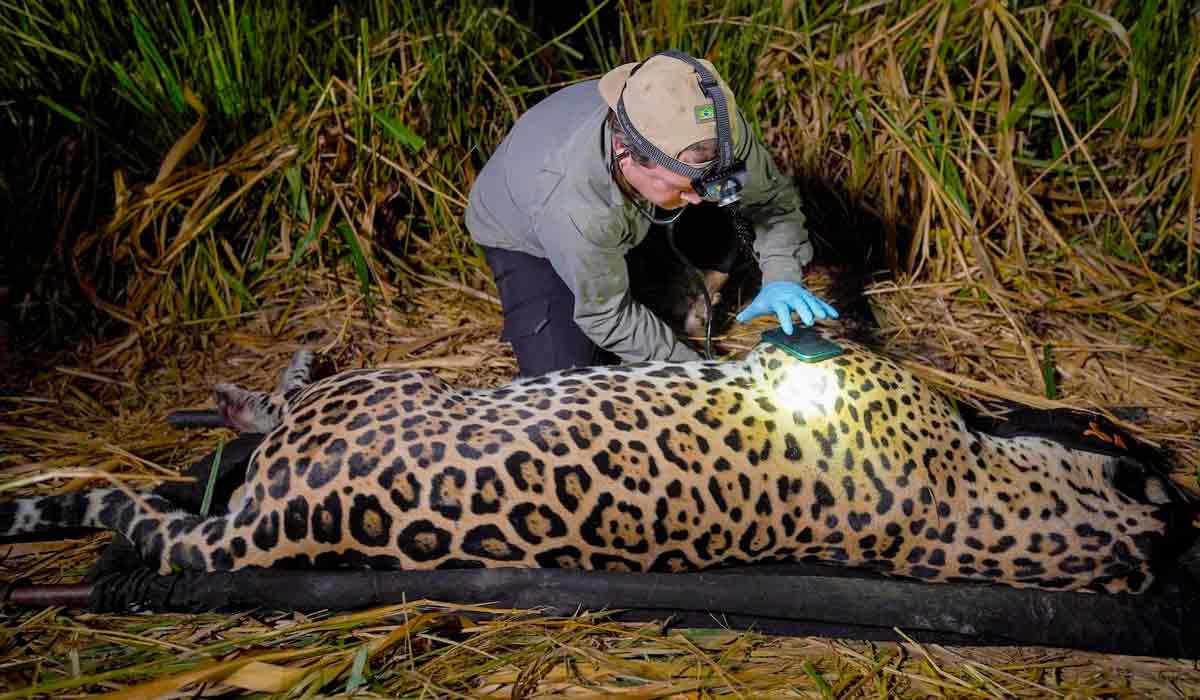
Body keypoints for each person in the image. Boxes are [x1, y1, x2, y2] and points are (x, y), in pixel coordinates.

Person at [465, 50, 837, 377]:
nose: (697, 200)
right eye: (683, 187)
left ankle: (677, 281)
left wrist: (781, 275)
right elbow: (606, 315)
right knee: (571, 378)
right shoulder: (573, 202)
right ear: (625, 153)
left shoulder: (715, 127)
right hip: (527, 237)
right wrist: (695, 371)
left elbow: (771, 200)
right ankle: (655, 283)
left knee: (725, 193)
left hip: (642, 204)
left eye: (704, 182)